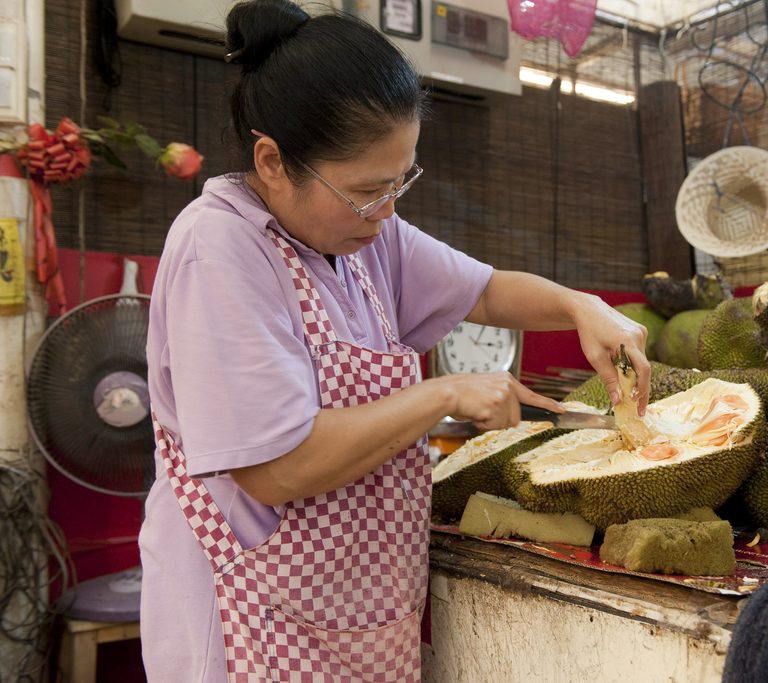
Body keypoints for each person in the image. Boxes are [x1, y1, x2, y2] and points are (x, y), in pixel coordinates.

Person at [137, 1, 650, 680]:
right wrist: (445, 392)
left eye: (400, 182)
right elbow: (274, 468)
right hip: (246, 623)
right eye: (366, 192)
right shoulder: (219, 248)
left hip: (351, 611)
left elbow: (486, 290)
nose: (386, 214)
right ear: (271, 161)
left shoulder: (359, 238)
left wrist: (581, 306)